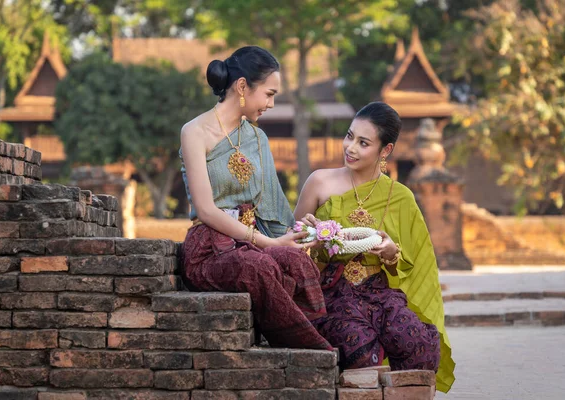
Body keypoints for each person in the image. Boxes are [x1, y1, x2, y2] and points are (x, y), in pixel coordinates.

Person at [294, 102, 455, 392]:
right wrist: (308, 234)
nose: (351, 147)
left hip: (379, 293)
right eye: (349, 136)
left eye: (363, 143)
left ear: (385, 151)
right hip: (331, 293)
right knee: (362, 349)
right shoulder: (319, 182)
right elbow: (291, 244)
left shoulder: (401, 197)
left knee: (418, 343)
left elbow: (413, 261)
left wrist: (392, 254)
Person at [179, 46, 331, 350]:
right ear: (242, 86)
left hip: (251, 244)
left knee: (293, 261)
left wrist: (297, 234)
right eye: (270, 94)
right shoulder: (194, 131)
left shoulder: (258, 138)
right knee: (257, 267)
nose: (272, 104)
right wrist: (268, 243)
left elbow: (272, 207)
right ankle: (316, 352)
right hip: (210, 248)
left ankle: (324, 337)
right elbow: (207, 210)